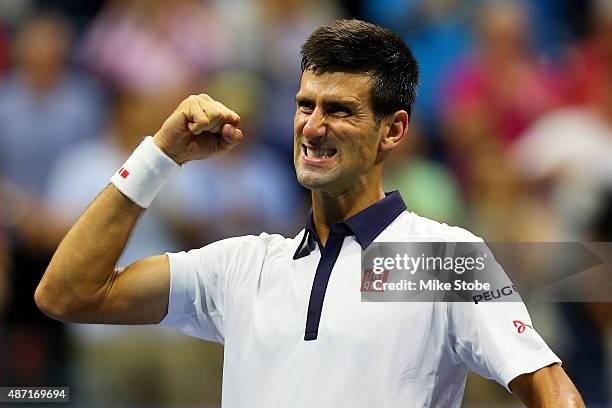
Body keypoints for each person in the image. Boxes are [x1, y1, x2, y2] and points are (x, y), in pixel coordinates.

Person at [35, 19, 584, 407]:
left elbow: (548, 385)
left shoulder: (437, 258)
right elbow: (68, 294)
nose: (313, 127)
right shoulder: (242, 266)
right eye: (305, 105)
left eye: (339, 110)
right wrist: (159, 156)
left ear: (392, 130)